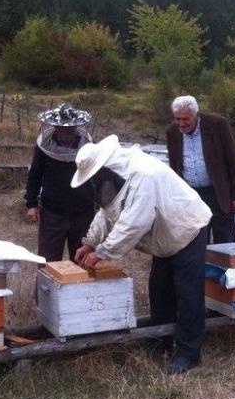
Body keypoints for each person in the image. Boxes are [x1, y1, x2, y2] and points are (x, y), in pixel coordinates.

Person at [72, 135, 212, 375]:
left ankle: (189, 354)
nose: (94, 181)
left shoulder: (143, 174)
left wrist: (103, 252)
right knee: (160, 289)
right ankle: (161, 341)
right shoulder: (114, 176)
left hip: (188, 227)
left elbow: (133, 224)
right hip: (165, 236)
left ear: (103, 167)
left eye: (94, 175)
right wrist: (90, 242)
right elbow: (107, 212)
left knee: (187, 292)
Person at [166, 95, 235, 244]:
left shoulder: (217, 124)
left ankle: (224, 267)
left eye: (185, 119)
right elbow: (174, 165)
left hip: (218, 193)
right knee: (196, 240)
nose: (181, 124)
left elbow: (233, 160)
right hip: (191, 196)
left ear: (196, 114)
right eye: (177, 119)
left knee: (225, 239)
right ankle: (201, 267)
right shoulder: (172, 132)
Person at [24, 104, 96, 262]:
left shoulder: (88, 145)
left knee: (81, 259)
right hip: (52, 211)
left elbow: (97, 174)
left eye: (70, 128)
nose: (65, 132)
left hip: (83, 212)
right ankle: (45, 288)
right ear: (55, 127)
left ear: (77, 127)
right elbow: (35, 174)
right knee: (47, 260)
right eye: (61, 128)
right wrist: (31, 204)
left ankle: (80, 288)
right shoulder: (44, 145)